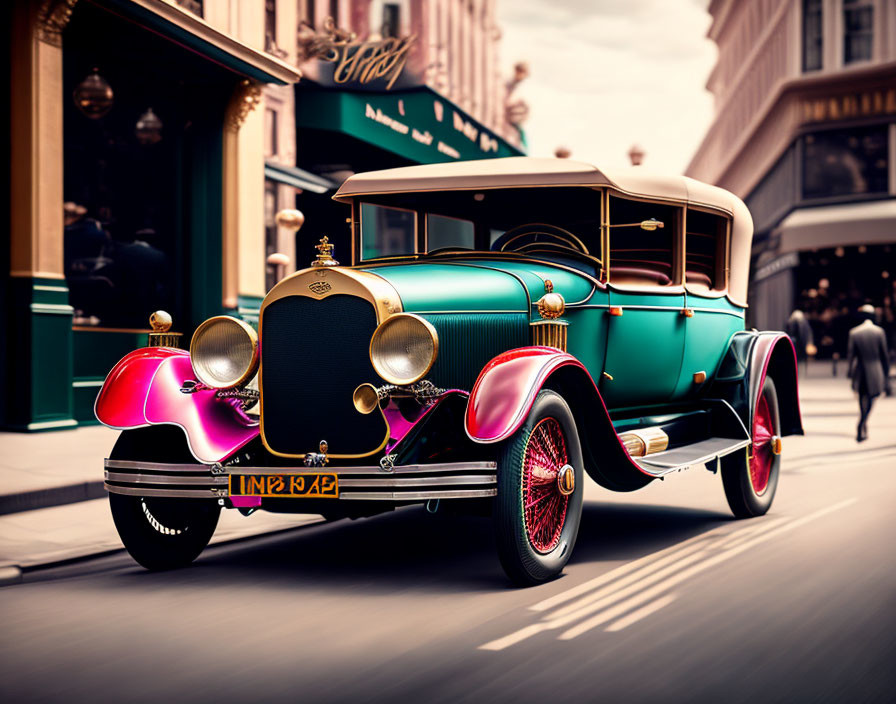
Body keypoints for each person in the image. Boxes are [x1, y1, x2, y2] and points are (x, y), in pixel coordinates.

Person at [847, 304, 891, 442]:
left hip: (860, 369)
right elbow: (884, 355)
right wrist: (886, 372)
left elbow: (851, 355)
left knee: (862, 396)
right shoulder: (879, 332)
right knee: (872, 396)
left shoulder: (855, 332)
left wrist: (850, 371)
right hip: (875, 368)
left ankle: (862, 421)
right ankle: (863, 421)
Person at [785, 309, 815, 375]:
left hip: (797, 342)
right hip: (798, 343)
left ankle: (796, 370)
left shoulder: (792, 322)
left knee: (797, 358)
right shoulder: (803, 322)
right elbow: (808, 333)